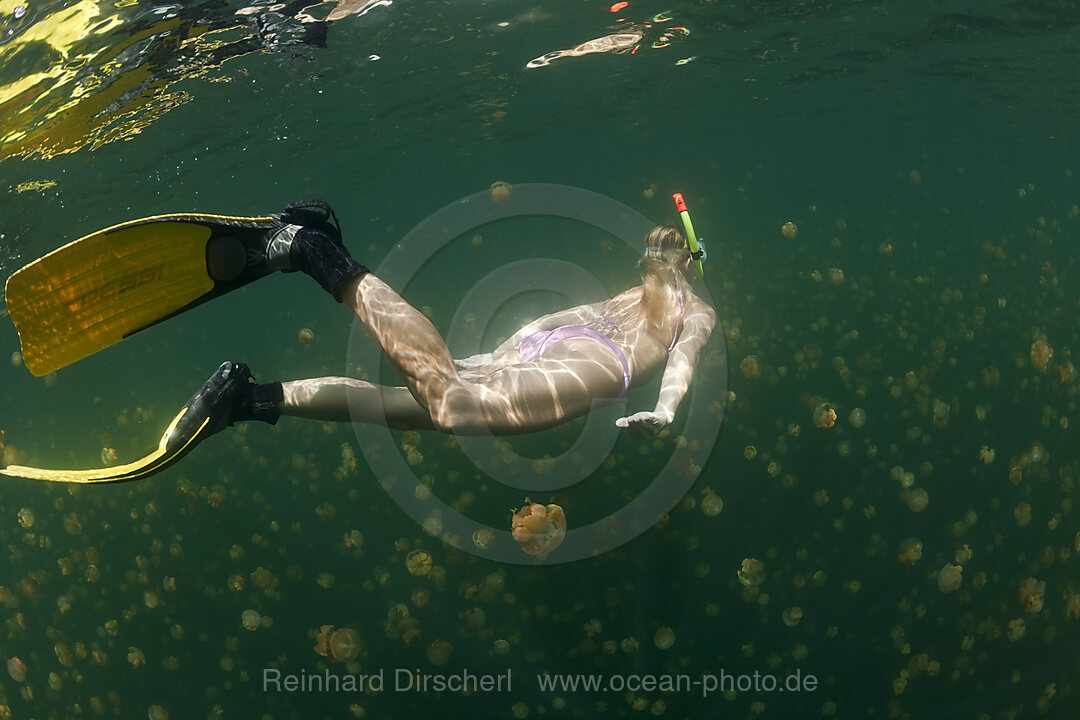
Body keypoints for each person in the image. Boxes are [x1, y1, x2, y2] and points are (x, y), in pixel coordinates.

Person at [2, 201, 715, 483]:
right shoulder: (694, 312)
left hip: (538, 352)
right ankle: (319, 255)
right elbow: (679, 364)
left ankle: (249, 400)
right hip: (577, 372)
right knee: (450, 409)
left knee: (383, 404)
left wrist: (500, 356)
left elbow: (558, 327)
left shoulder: (635, 291)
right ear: (691, 263)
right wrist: (670, 412)